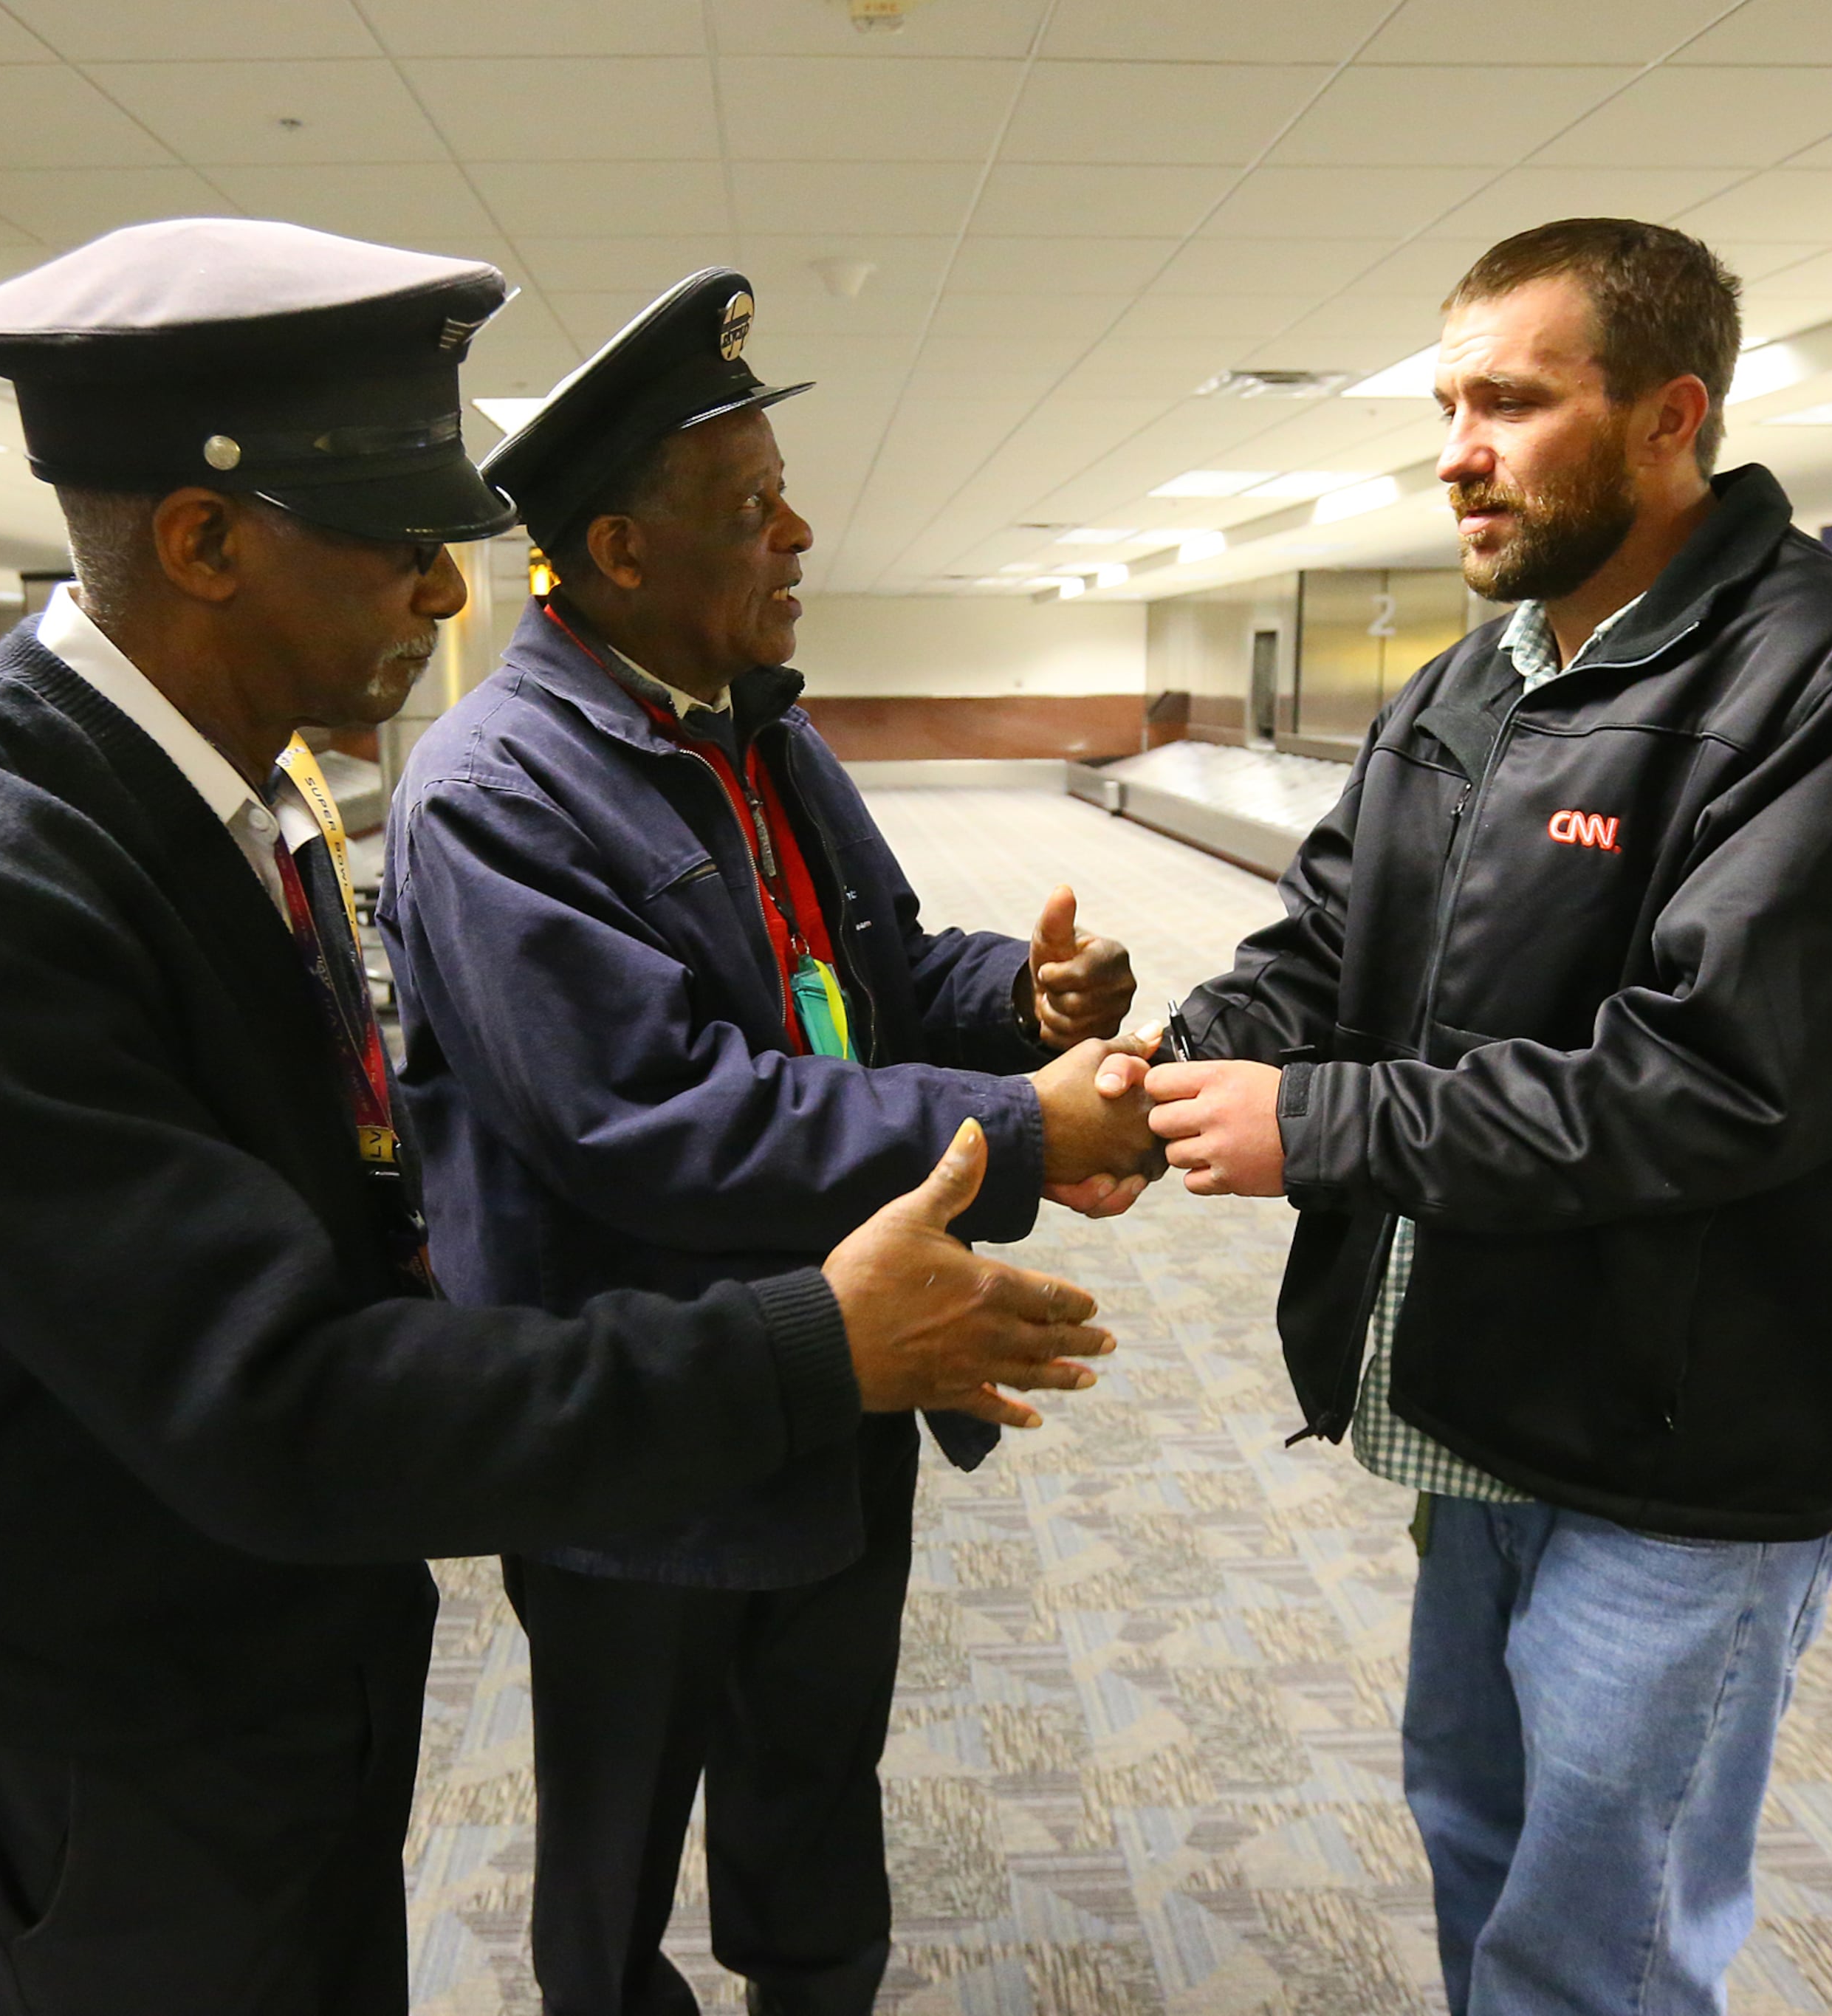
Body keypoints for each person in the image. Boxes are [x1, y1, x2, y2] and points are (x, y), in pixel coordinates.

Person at [0, 220, 1119, 2016]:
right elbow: (275, 1391)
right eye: (397, 544)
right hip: (102, 1713)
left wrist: (1004, 1026)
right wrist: (826, 1330)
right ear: (204, 539)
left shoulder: (245, 805)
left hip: (282, 1633)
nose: (450, 597)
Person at [1099, 219, 1832, 2014]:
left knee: (1603, 1931)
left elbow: (1718, 1083)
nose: (1455, 450)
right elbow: (1331, 948)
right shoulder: (1469, 682)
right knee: (1479, 1836)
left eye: (1509, 400)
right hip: (1487, 1398)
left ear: (1672, 418)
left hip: (1687, 1443)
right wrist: (1156, 1083)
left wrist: (1322, 1129)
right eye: (1445, 404)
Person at [378, 267, 1162, 2016]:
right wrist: (1018, 1131)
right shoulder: (496, 788)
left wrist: (1019, 1001)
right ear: (616, 550)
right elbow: (652, 1115)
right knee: (619, 1834)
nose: (799, 533)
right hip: (641, 1410)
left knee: (815, 1785)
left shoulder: (756, 722)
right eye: (750, 508)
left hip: (840, 1362)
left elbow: (856, 970)